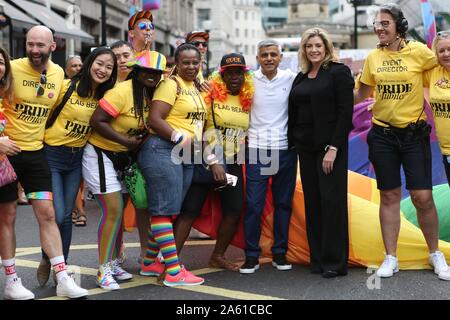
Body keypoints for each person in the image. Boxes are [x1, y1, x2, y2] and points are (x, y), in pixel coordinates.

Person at [354, 3, 450, 280]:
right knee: (390, 195)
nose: (379, 28)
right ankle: (391, 257)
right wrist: (331, 97)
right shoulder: (373, 58)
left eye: (385, 23)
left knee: (423, 197)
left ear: (399, 26)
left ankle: (435, 254)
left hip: (414, 135)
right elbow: (361, 95)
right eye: (377, 24)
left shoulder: (420, 52)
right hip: (382, 135)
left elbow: (443, 65)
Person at [0, 26, 88, 298]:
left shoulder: (59, 73)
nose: (35, 50)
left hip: (36, 154)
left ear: (53, 46)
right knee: (8, 217)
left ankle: (62, 277)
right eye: (30, 44)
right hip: (7, 156)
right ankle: (12, 281)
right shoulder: (10, 69)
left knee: (48, 215)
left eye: (41, 45)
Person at [84, 50, 165, 290]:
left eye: (156, 73)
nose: (151, 76)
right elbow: (96, 121)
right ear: (136, 72)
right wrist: (126, 141)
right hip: (100, 153)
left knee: (119, 213)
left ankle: (114, 261)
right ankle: (103, 270)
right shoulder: (121, 92)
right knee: (113, 210)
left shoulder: (152, 95)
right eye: (147, 71)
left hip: (124, 160)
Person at [173, 53, 254, 271]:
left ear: (244, 75)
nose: (235, 77)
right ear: (222, 75)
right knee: (189, 210)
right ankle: (170, 262)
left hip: (233, 164)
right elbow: (200, 130)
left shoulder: (248, 98)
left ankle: (217, 256)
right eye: (230, 73)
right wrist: (214, 161)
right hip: (205, 160)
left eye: (239, 72)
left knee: (234, 210)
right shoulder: (209, 94)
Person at [43, 47, 117, 271]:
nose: (102, 70)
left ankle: (59, 267)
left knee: (66, 216)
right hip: (52, 155)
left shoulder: (106, 96)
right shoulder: (67, 87)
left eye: (108, 67)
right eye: (99, 63)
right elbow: (43, 111)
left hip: (76, 159)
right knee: (56, 214)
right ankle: (49, 257)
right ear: (89, 63)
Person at [287, 28, 354, 278]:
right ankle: (317, 259)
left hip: (330, 149)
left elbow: (345, 113)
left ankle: (335, 262)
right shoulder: (301, 77)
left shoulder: (338, 72)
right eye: (309, 46)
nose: (314, 50)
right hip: (305, 148)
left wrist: (334, 148)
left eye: (318, 45)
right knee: (313, 203)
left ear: (326, 47)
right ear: (303, 50)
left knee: (331, 203)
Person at [138, 43, 206, 286]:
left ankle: (148, 262)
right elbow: (154, 119)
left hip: (185, 154)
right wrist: (178, 137)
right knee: (163, 211)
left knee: (170, 210)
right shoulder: (170, 84)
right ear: (176, 63)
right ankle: (174, 272)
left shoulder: (195, 87)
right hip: (163, 150)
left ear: (200, 64)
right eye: (185, 62)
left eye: (194, 62)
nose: (190, 66)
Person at [239, 39, 298, 274]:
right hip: (257, 150)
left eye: (274, 54)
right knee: (253, 205)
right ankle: (251, 255)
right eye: (265, 55)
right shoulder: (248, 81)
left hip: (286, 150)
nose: (269, 58)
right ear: (257, 58)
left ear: (281, 57)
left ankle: (280, 253)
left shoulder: (291, 78)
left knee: (283, 204)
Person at [0, 47, 33, 300]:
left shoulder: (5, 95)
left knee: (8, 218)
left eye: (1, 62)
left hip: (3, 168)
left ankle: (11, 279)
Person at [424, 31, 450, 187]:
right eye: (441, 50)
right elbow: (406, 77)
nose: (446, 54)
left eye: (449, 49)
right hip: (446, 151)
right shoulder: (432, 73)